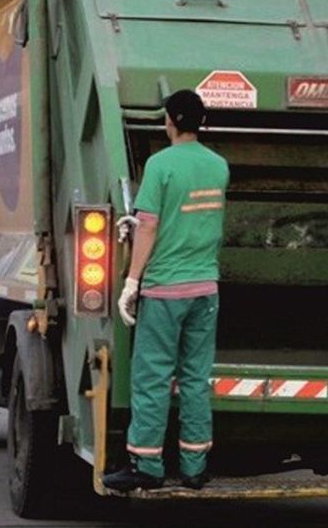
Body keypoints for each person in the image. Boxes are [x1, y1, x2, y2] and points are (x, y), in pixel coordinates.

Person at [102, 89, 230, 493]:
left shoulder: (160, 165)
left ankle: (148, 467)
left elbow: (151, 226)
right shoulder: (218, 166)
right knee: (195, 378)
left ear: (170, 121)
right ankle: (194, 467)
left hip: (165, 290)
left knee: (153, 377)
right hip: (206, 289)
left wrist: (132, 281)